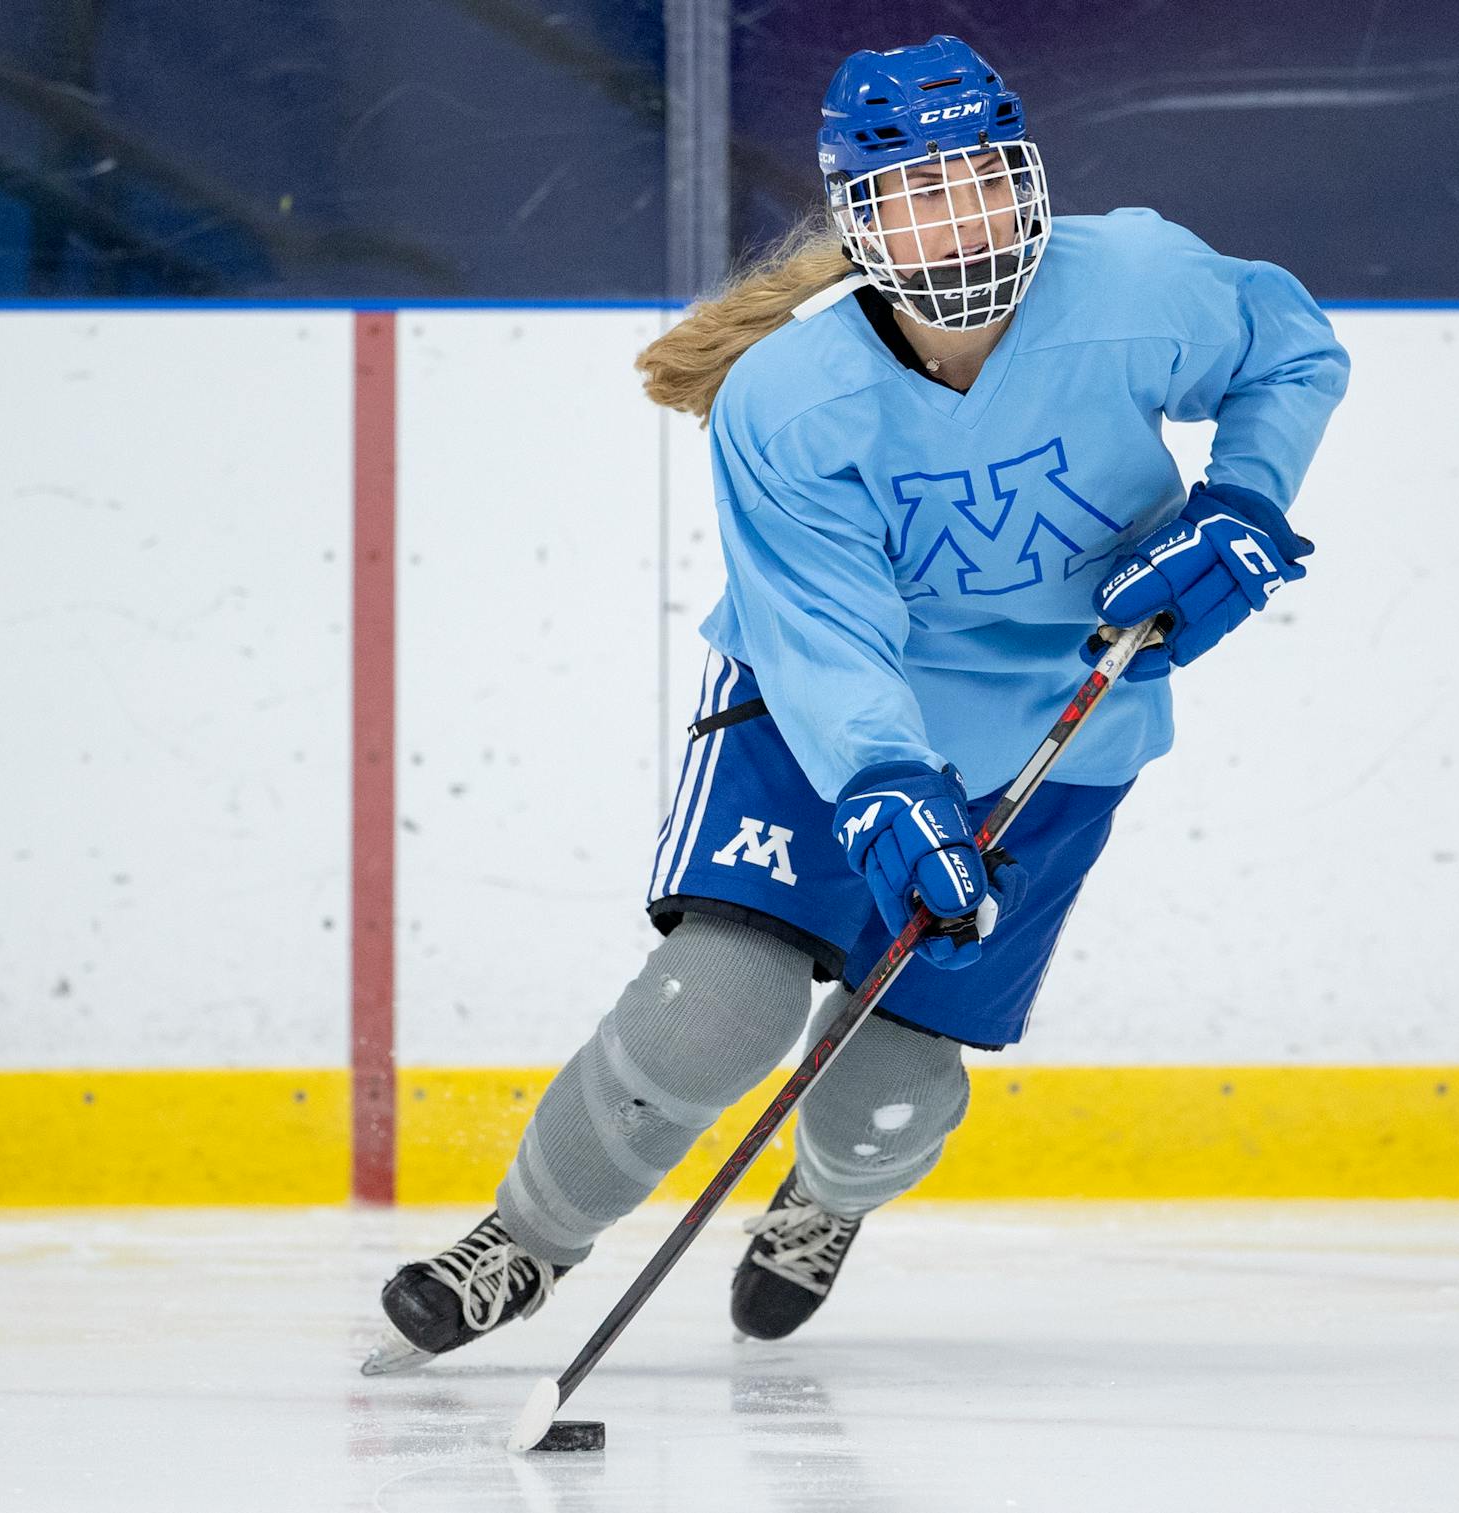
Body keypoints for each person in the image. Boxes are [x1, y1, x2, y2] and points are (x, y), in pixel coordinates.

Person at [364, 33, 1347, 1374]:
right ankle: (523, 1240)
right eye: (920, 193)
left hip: (1059, 730)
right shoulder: (790, 397)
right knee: (714, 1011)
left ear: (1027, 178)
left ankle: (823, 1198)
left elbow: (1290, 351)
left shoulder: (1138, 284)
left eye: (984, 179)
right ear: (860, 218)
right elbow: (821, 633)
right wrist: (883, 776)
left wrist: (1244, 498)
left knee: (888, 1099)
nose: (964, 220)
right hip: (812, 723)